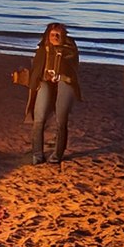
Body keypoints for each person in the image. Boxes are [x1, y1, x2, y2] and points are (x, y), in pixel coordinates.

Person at [24, 22, 82, 164]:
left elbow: (72, 71)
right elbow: (37, 67)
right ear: (47, 35)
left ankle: (57, 155)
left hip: (65, 82)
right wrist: (34, 81)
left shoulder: (70, 50)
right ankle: (37, 154)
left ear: (63, 36)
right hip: (45, 82)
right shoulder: (43, 48)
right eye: (52, 34)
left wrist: (61, 76)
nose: (55, 37)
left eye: (58, 35)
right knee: (39, 118)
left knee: (61, 121)